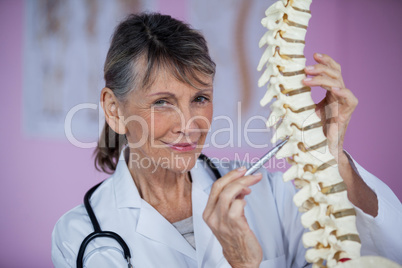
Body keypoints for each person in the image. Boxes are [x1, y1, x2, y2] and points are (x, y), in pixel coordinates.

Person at [52, 13, 402, 267]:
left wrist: (331, 156)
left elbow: (382, 254)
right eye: (162, 102)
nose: (189, 124)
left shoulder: (269, 192)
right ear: (114, 110)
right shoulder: (81, 236)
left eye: (200, 99)